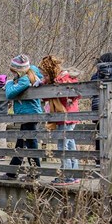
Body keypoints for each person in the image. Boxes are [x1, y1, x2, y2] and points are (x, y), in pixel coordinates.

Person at [0, 55, 44, 182]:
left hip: (30, 114)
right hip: (28, 114)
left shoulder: (25, 79)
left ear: (19, 70)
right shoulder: (27, 75)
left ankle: (34, 174)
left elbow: (10, 94)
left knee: (30, 143)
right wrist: (12, 83)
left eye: (13, 71)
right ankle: (13, 173)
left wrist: (8, 84)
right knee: (22, 143)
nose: (12, 73)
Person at [39, 55, 82, 185]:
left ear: (51, 72)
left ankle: (68, 175)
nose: (44, 77)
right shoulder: (55, 80)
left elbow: (76, 93)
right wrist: (43, 82)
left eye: (46, 75)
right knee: (69, 144)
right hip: (62, 116)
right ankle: (74, 173)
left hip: (67, 116)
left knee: (63, 145)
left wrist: (57, 83)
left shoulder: (65, 78)